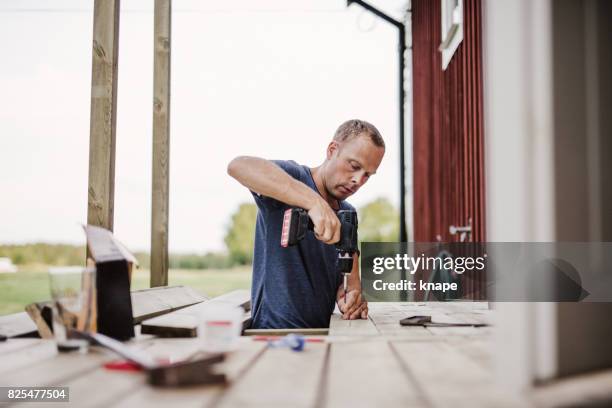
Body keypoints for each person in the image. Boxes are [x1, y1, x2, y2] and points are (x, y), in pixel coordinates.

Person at [227, 119, 385, 329]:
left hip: (323, 336)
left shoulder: (348, 213)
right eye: (354, 166)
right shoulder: (292, 178)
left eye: (367, 175)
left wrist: (352, 298)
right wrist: (314, 203)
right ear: (332, 150)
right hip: (275, 335)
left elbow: (350, 284)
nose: (358, 180)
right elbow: (239, 165)